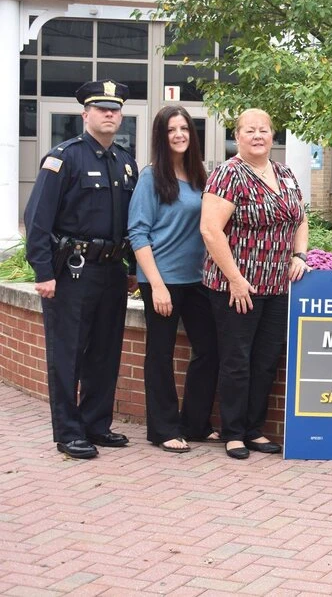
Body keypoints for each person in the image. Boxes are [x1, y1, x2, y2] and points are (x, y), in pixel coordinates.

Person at [23, 79, 136, 459]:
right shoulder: (64, 157)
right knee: (68, 354)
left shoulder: (125, 162)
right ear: (85, 114)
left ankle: (95, 425)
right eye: (101, 108)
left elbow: (131, 224)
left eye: (115, 109)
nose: (109, 114)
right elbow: (37, 219)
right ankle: (69, 432)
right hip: (72, 271)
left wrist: (134, 269)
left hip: (111, 271)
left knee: (105, 352)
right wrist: (42, 272)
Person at [201, 108, 310, 459]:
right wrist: (234, 279)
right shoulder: (227, 174)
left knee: (265, 360)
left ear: (273, 135)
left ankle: (254, 429)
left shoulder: (285, 173)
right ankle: (233, 433)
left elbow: (300, 218)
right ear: (238, 136)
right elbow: (210, 229)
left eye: (264, 130)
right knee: (237, 360)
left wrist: (300, 255)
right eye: (250, 130)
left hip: (277, 285)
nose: (258, 136)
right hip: (238, 286)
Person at [128, 106, 220, 453]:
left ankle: (195, 423)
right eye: (171, 130)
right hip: (160, 279)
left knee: (209, 349)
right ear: (161, 136)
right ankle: (163, 429)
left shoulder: (200, 177)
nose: (179, 134)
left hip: (196, 280)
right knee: (160, 354)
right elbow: (138, 233)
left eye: (184, 128)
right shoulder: (151, 177)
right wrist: (157, 285)